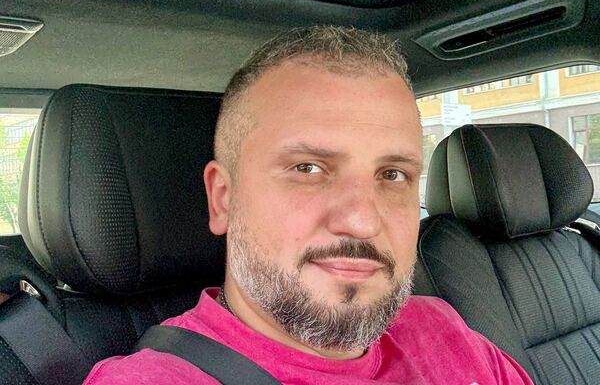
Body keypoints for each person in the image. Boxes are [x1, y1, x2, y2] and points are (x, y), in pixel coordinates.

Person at [83, 26, 533, 385]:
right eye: (307, 168)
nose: (362, 221)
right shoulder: (155, 378)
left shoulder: (442, 327)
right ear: (223, 199)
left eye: (392, 175)